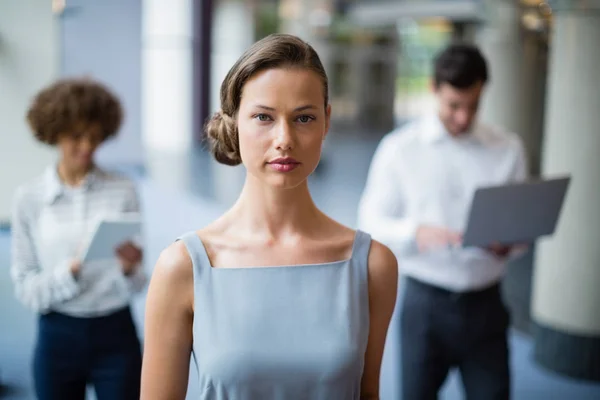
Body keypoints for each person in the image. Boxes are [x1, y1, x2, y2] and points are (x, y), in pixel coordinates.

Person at [141, 33, 398, 399]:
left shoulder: (373, 265)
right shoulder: (183, 267)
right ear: (234, 122)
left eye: (304, 118)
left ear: (326, 121)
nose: (284, 139)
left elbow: (367, 393)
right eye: (263, 116)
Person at [357, 43, 528, 400]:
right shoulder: (399, 148)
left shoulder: (508, 148)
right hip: (425, 308)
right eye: (454, 106)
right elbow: (369, 222)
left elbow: (521, 227)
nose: (464, 117)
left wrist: (510, 243)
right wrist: (415, 231)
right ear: (434, 89)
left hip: (487, 307)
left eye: (473, 106)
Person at [10, 77, 146, 400]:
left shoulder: (123, 189)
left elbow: (139, 283)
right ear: (54, 133)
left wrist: (129, 269)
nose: (87, 147)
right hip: (58, 334)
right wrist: (67, 274)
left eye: (95, 138)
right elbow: (25, 288)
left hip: (116, 332)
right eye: (76, 137)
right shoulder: (29, 199)